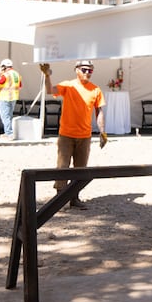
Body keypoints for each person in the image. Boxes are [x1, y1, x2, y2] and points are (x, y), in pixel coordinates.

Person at [40, 60, 107, 209]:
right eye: (84, 70)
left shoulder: (95, 89)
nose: (87, 73)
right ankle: (59, 198)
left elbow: (100, 111)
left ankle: (74, 198)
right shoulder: (68, 85)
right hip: (66, 134)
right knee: (62, 166)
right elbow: (50, 90)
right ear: (76, 70)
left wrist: (102, 132)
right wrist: (47, 75)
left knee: (80, 168)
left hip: (84, 135)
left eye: (90, 70)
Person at [0, 58, 22, 139]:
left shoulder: (5, 75)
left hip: (5, 98)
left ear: (4, 66)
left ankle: (9, 133)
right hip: (13, 98)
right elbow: (20, 86)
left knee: (5, 117)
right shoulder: (16, 74)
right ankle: (7, 133)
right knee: (9, 116)